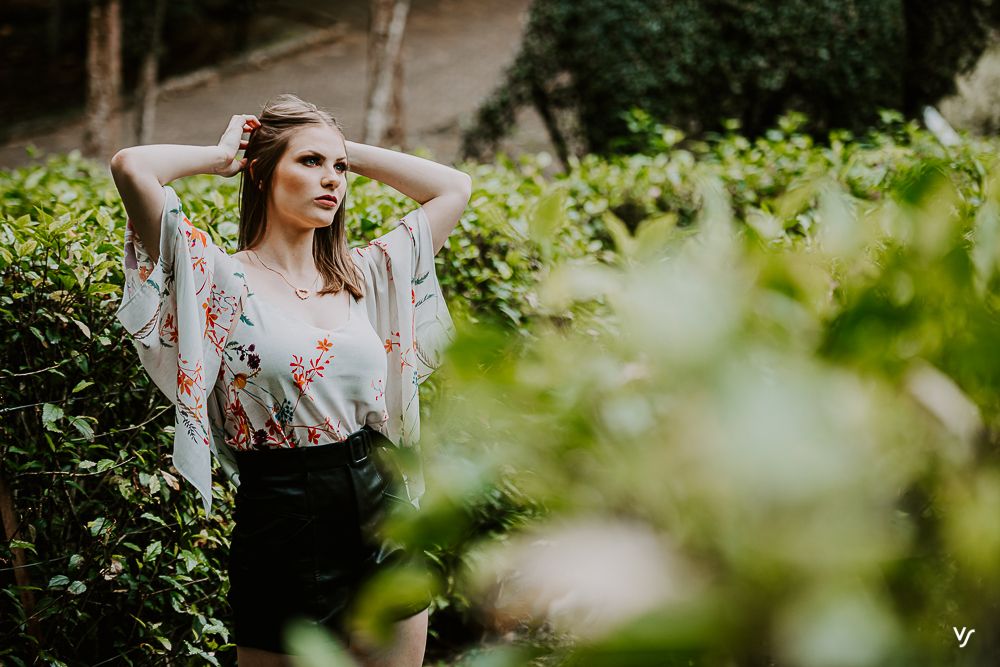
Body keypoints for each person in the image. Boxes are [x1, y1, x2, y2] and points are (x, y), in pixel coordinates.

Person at [111, 94, 469, 666]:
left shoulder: (365, 275)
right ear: (261, 173)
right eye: (309, 163)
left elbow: (453, 187)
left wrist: (335, 144)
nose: (333, 180)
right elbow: (132, 165)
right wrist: (222, 155)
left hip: (384, 501)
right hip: (282, 513)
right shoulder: (219, 277)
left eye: (340, 169)